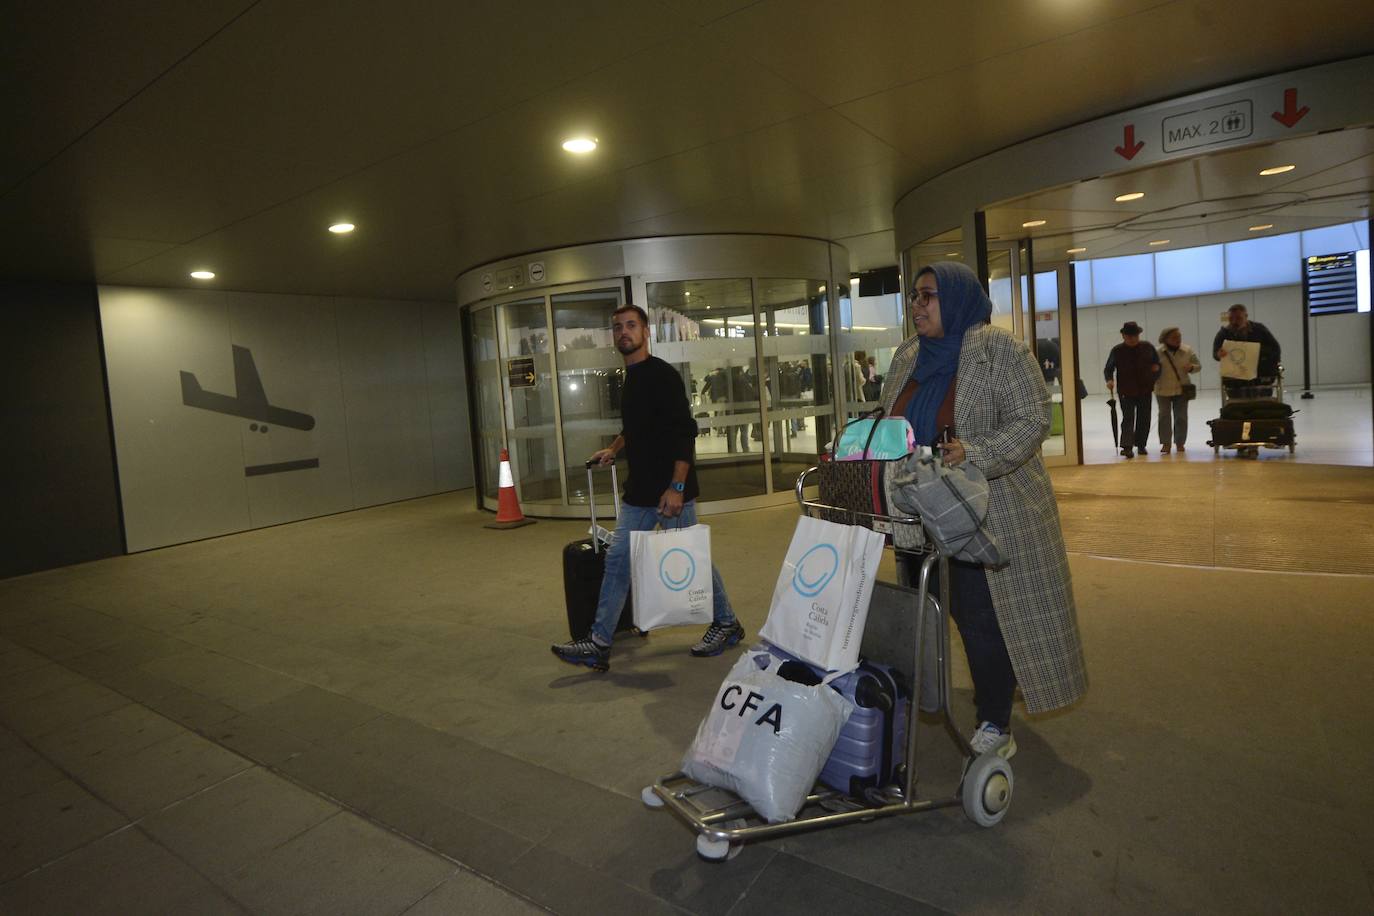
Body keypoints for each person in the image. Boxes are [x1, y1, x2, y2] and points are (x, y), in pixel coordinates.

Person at [879, 261, 1087, 758]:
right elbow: (890, 416)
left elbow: (1034, 419)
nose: (917, 305)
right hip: (919, 508)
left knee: (981, 616)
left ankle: (995, 720)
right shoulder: (909, 354)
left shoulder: (999, 349)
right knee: (927, 607)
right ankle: (928, 694)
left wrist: (977, 452)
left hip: (983, 511)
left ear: (955, 298)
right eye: (914, 296)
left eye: (927, 295)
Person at [551, 305, 744, 672]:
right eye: (617, 327)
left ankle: (727, 622)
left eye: (630, 325)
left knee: (692, 562)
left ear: (645, 331)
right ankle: (599, 642)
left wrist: (676, 486)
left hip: (670, 493)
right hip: (640, 491)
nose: (623, 332)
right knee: (618, 560)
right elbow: (638, 428)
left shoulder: (662, 376)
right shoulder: (632, 378)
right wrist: (614, 448)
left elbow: (684, 432)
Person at [1103, 321, 1160, 458]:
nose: (1132, 338)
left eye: (1135, 335)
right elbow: (1108, 368)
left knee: (1144, 418)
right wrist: (1109, 379)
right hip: (1126, 390)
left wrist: (1155, 374)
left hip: (1145, 389)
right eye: (1129, 336)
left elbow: (1157, 364)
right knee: (1128, 418)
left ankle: (1141, 445)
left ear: (1139, 335)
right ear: (1123, 336)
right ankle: (1127, 446)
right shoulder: (1117, 351)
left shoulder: (1148, 347)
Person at [1212, 304, 1282, 395]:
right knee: (1237, 405)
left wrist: (1256, 351)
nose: (1234, 321)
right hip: (1235, 379)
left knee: (1263, 403)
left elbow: (1275, 348)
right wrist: (1219, 354)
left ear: (1246, 316)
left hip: (1261, 374)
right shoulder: (1224, 333)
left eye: (1238, 318)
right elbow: (1215, 354)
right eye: (1231, 318)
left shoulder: (1259, 329)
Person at [1155, 327, 1201, 454]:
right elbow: (1150, 369)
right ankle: (1166, 443)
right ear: (1165, 339)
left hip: (1182, 388)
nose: (1178, 340)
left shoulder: (1187, 350)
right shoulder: (1157, 352)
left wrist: (1192, 367)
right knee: (1164, 416)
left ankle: (1180, 442)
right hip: (1162, 388)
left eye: (1179, 337)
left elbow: (1198, 366)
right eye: (1174, 337)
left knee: (1181, 417)